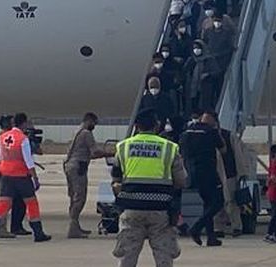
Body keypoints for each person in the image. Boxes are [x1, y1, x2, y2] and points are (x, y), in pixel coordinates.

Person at [111, 111, 187, 267]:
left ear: (137, 126)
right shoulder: (169, 148)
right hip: (160, 209)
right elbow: (181, 180)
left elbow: (116, 178)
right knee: (164, 255)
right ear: (157, 125)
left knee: (127, 256)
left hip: (131, 208)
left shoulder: (123, 146)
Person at [0, 112, 50, 243]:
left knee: (3, 204)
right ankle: (38, 233)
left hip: (5, 176)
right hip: (21, 177)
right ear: (23, 123)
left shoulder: (2, 137)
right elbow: (28, 161)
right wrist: (35, 178)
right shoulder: (23, 139)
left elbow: (0, 158)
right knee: (31, 203)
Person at [180, 111, 226, 247]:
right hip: (208, 172)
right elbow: (223, 149)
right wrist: (217, 131)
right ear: (211, 119)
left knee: (207, 203)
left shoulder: (187, 131)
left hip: (192, 173)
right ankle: (196, 227)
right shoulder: (210, 131)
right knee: (218, 202)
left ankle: (211, 237)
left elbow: (181, 150)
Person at [64, 112, 111, 239]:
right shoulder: (86, 133)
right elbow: (95, 151)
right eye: (94, 123)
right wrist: (110, 154)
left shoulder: (77, 131)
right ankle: (73, 227)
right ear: (89, 121)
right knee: (80, 197)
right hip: (78, 166)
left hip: (70, 165)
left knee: (73, 196)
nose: (94, 126)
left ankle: (75, 225)